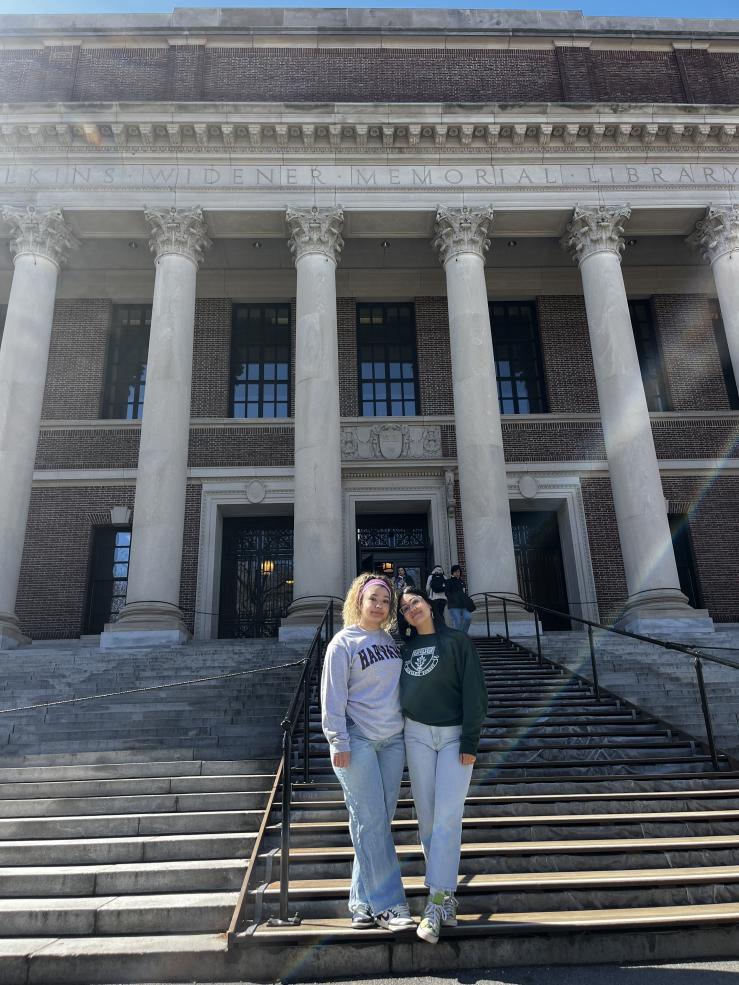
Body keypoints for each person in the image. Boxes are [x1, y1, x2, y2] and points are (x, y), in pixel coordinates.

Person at [320, 573, 415, 932]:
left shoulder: (391, 641)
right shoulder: (342, 643)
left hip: (393, 740)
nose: (379, 605)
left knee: (374, 823)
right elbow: (332, 697)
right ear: (358, 600)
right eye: (373, 598)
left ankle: (361, 902)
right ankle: (390, 906)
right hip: (357, 740)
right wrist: (337, 740)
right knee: (372, 821)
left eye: (386, 601)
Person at [396, 586, 488, 944]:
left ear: (429, 604)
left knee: (449, 816)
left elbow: (475, 692)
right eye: (404, 608)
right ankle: (446, 896)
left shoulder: (458, 643)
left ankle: (434, 902)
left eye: (414, 601)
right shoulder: (404, 650)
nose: (411, 609)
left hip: (453, 738)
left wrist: (470, 740)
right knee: (429, 818)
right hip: (416, 734)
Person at [445, 564, 472, 634]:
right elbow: (447, 593)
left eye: (459, 572)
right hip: (454, 606)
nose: (457, 573)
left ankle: (463, 634)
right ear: (452, 573)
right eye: (456, 572)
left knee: (468, 617)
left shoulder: (462, 582)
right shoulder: (448, 581)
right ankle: (458, 637)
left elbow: (464, 593)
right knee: (457, 622)